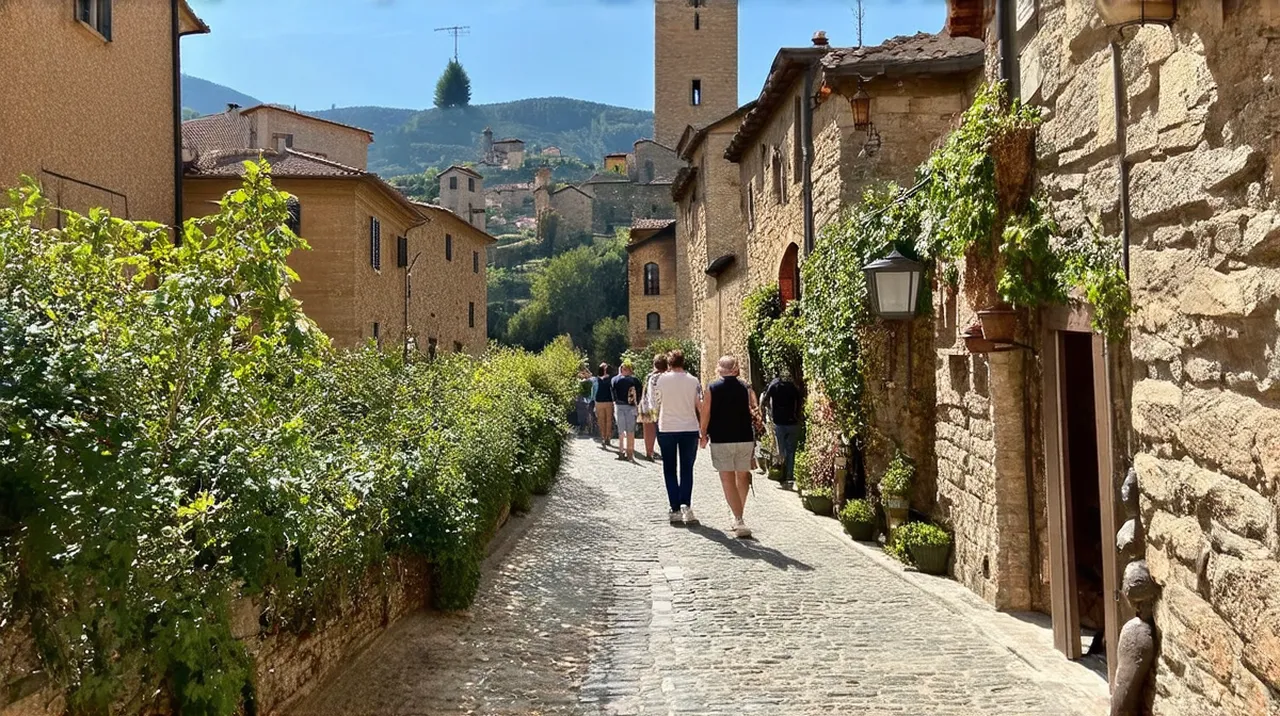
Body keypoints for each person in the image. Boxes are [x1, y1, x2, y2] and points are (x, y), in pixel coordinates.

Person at [700, 356, 758, 539]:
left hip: (722, 438)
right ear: (736, 369)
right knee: (742, 476)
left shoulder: (712, 388)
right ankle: (737, 514)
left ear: (719, 369)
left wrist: (703, 433)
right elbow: (754, 409)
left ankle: (738, 518)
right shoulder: (745, 388)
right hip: (744, 438)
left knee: (727, 479)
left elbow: (706, 412)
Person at [655, 350, 702, 525]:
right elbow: (699, 405)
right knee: (687, 468)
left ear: (669, 364)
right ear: (684, 362)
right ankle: (686, 505)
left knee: (669, 468)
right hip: (689, 428)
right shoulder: (693, 381)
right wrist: (703, 429)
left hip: (667, 427)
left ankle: (674, 508)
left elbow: (657, 402)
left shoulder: (661, 380)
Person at [761, 368, 804, 485]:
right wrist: (798, 415)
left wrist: (767, 413)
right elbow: (800, 401)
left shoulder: (774, 385)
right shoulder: (794, 388)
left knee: (781, 450)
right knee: (791, 451)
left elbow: (764, 400)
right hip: (793, 422)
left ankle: (781, 472)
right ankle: (789, 475)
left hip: (779, 422)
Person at [611, 361, 643, 461]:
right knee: (630, 431)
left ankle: (621, 451)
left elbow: (612, 392)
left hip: (619, 406)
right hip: (631, 407)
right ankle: (630, 453)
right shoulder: (635, 380)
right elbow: (640, 393)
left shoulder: (615, 380)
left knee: (621, 431)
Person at [638, 354, 667, 461]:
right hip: (661, 408)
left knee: (648, 431)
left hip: (647, 406)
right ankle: (665, 451)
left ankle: (649, 452)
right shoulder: (666, 376)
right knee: (663, 432)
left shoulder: (650, 376)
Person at [594, 363, 615, 449]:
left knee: (609, 420)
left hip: (609, 401)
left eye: (605, 367)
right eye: (602, 367)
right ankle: (603, 437)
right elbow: (594, 390)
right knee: (601, 420)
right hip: (599, 402)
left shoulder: (611, 378)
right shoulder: (596, 379)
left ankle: (608, 437)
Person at [576, 369, 595, 437]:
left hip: (587, 400)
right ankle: (587, 428)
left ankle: (586, 428)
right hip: (585, 400)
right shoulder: (591, 380)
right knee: (586, 415)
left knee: (586, 415)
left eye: (584, 373)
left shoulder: (590, 380)